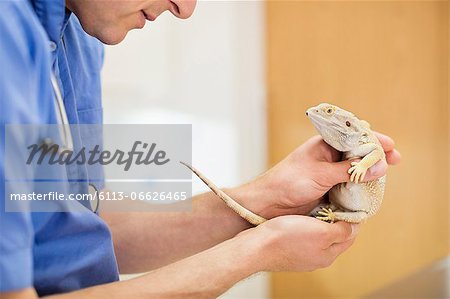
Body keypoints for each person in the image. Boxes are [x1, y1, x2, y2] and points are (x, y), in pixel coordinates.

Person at [0, 0, 401, 298]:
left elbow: (75, 219)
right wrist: (257, 251)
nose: (185, 8)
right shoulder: (8, 39)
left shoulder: (80, 37)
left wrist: (266, 199)